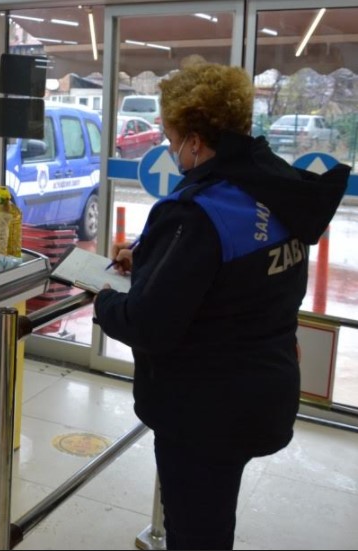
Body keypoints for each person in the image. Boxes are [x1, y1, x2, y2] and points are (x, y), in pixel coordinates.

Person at [93, 61, 349, 550]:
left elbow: (149, 323)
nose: (171, 150)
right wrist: (151, 255)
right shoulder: (276, 186)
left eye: (171, 139)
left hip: (205, 408)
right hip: (264, 387)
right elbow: (236, 273)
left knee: (195, 530)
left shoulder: (198, 211)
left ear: (194, 139)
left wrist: (103, 300)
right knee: (212, 519)